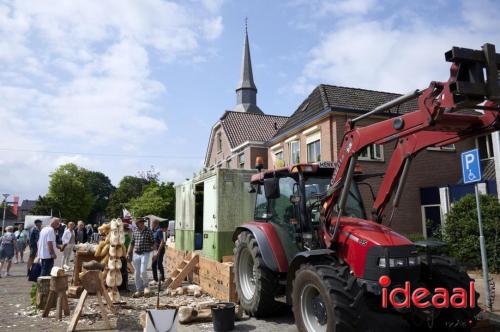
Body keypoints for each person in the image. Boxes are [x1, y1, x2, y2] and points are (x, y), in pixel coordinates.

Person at [127, 218, 154, 297]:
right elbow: (132, 243)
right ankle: (138, 290)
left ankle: (146, 287)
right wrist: (128, 253)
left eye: (140, 223)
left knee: (143, 271)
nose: (139, 225)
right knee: (137, 273)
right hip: (136, 254)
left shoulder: (148, 231)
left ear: (142, 223)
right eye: (138, 224)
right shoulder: (135, 231)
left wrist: (154, 252)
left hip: (145, 253)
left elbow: (153, 242)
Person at [151, 220, 165, 285]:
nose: (151, 225)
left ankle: (162, 279)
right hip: (155, 250)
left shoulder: (159, 231)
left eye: (152, 223)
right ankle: (155, 280)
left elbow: (162, 242)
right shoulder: (153, 231)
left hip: (160, 250)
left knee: (159, 264)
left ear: (155, 224)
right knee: (153, 265)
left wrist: (158, 252)